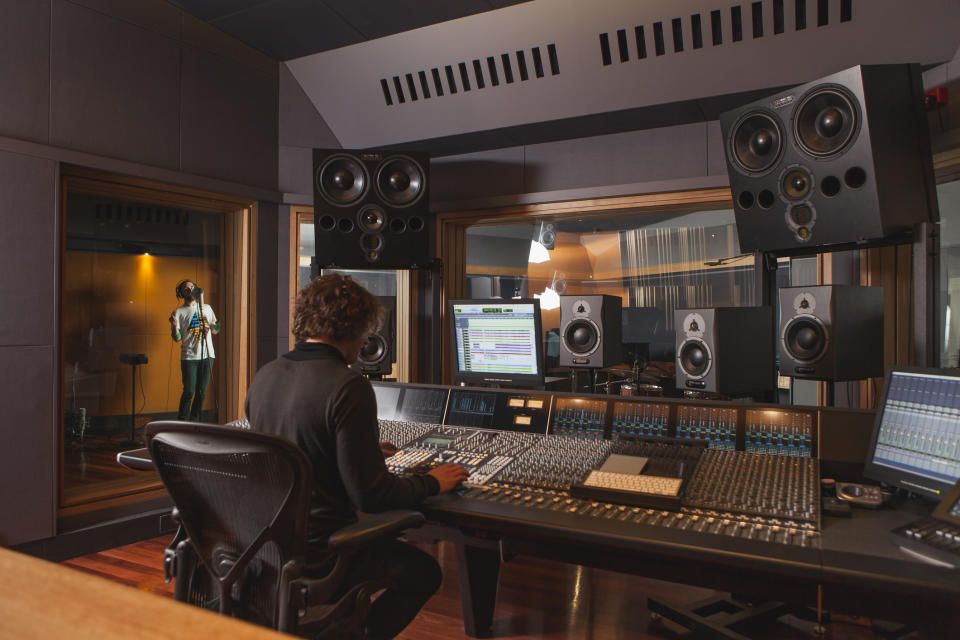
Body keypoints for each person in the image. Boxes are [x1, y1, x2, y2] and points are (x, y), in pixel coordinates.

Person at [245, 274, 468, 640]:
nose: (366, 339)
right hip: (324, 553)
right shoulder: (348, 386)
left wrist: (349, 451)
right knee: (424, 573)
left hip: (268, 549)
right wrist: (432, 481)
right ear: (350, 327)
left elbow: (289, 452)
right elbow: (371, 497)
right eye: (364, 329)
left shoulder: (266, 375)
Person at [169, 280, 219, 421]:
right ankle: (182, 421)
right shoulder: (178, 312)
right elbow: (177, 338)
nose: (190, 290)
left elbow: (215, 330)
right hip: (189, 356)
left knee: (201, 392)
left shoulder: (207, 308)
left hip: (208, 355)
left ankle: (195, 420)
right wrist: (174, 326)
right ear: (181, 293)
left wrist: (215, 326)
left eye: (192, 287)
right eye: (186, 288)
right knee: (189, 391)